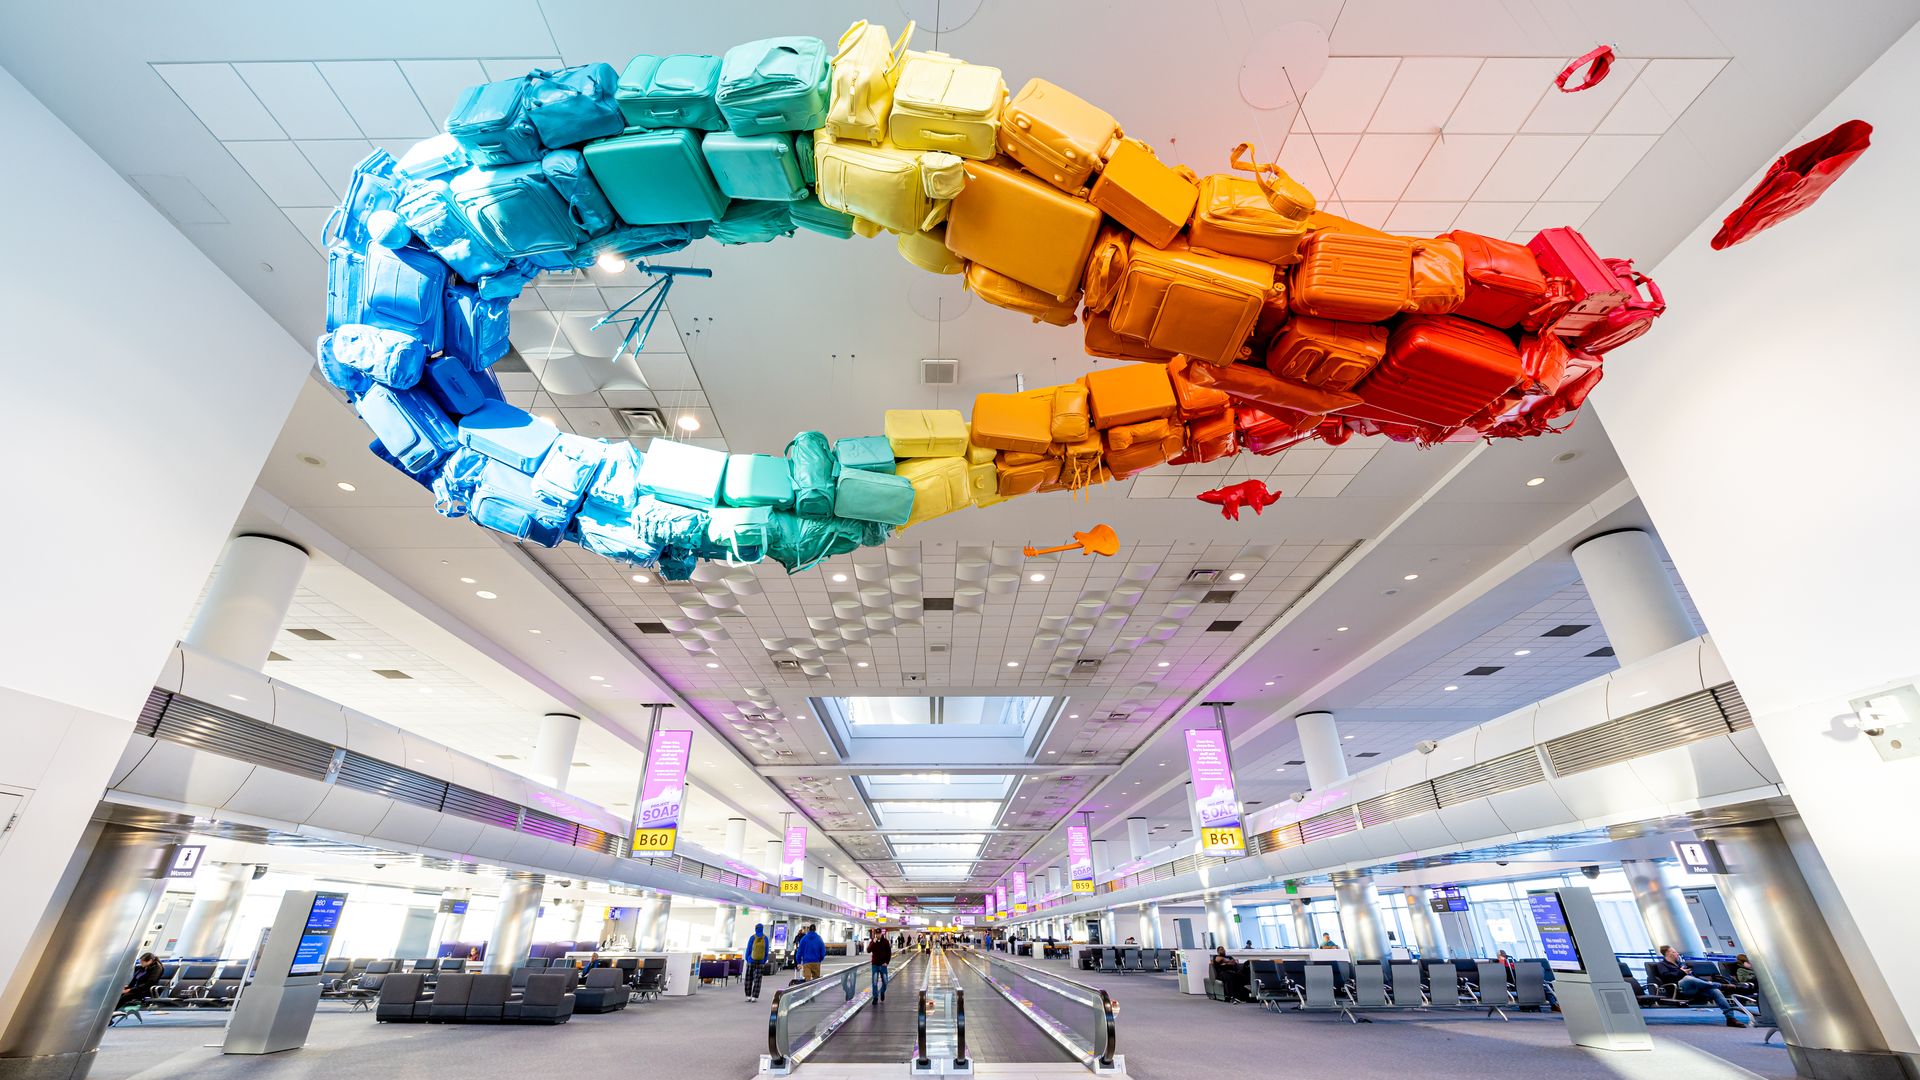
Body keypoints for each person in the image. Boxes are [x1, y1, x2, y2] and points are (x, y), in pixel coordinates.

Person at [1653, 945, 1750, 1027]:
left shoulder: (1681, 964)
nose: (1677, 953)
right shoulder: (1662, 965)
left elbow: (1696, 979)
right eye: (1674, 952)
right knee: (1687, 978)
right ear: (1668, 954)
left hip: (1695, 988)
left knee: (1715, 991)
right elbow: (1666, 977)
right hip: (1680, 989)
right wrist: (1681, 972)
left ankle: (1730, 1018)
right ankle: (1722, 986)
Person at [744, 923, 771, 1002]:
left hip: (751, 961)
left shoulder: (752, 937)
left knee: (749, 978)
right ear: (762, 929)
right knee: (758, 980)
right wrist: (764, 960)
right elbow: (766, 951)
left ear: (755, 929)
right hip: (760, 962)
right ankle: (754, 997)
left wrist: (748, 959)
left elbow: (748, 949)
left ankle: (748, 995)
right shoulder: (765, 938)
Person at [869, 930, 894, 1002]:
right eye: (876, 934)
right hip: (875, 965)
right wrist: (873, 942)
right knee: (874, 981)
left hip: (883, 965)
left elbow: (889, 953)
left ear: (881, 934)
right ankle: (875, 997)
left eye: (879, 934)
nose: (878, 935)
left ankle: (882, 991)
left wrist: (887, 962)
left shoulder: (885, 942)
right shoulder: (873, 942)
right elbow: (868, 950)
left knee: (885, 981)